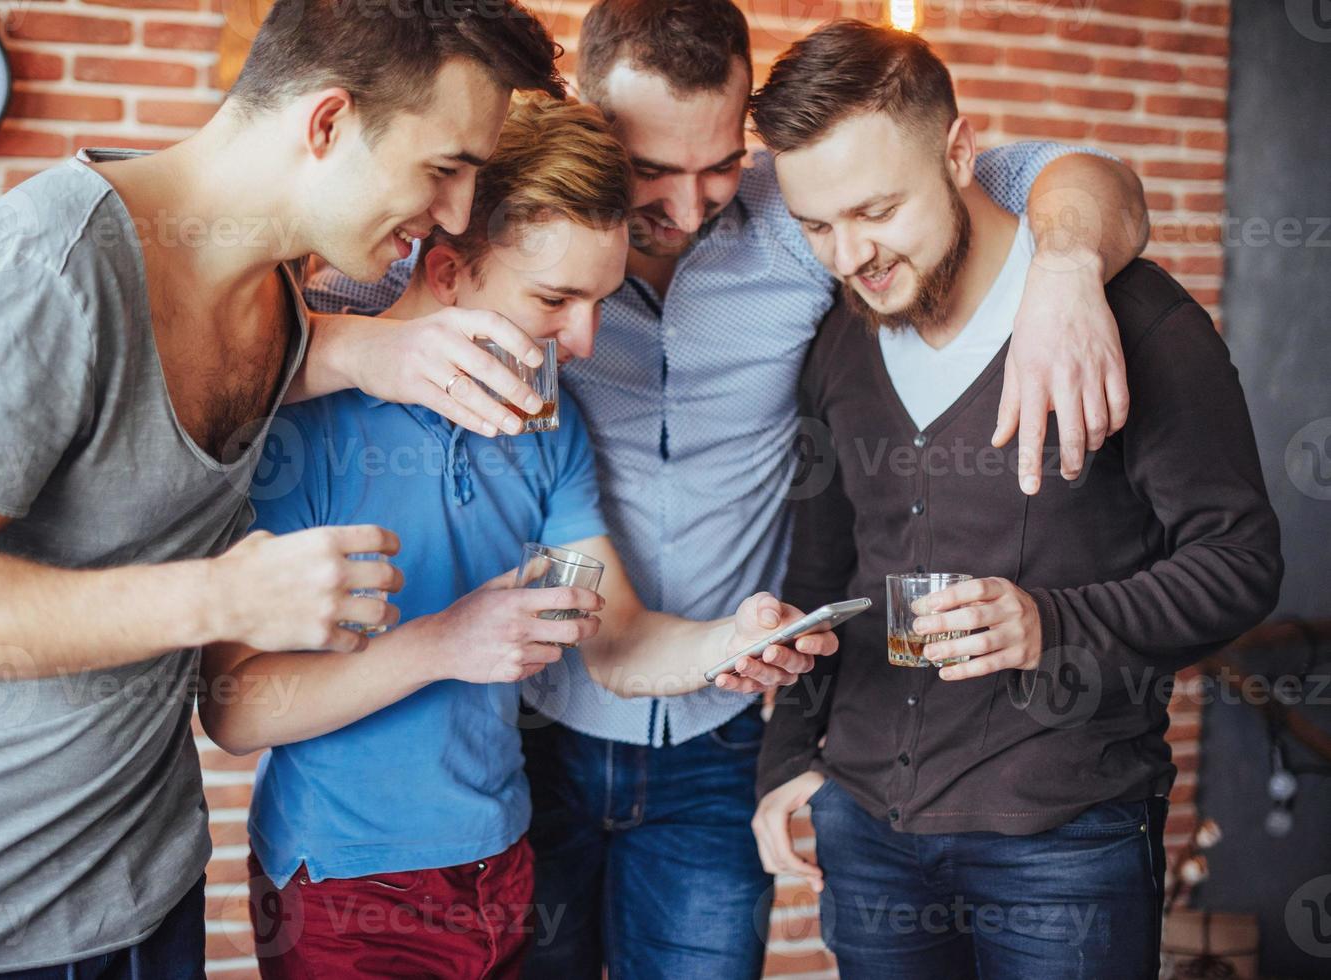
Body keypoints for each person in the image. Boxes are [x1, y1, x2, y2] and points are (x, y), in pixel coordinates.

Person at [304, 1, 1152, 974]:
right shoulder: (503, 229)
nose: (690, 200)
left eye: (718, 159)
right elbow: (261, 330)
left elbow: (1081, 175)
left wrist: (1068, 270)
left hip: (715, 727)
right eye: (651, 167)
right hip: (528, 726)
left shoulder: (801, 224)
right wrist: (354, 347)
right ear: (585, 106)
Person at [0, 3, 570, 977]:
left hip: (146, 883)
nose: (452, 214)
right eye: (442, 169)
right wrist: (223, 596)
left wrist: (375, 349)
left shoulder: (279, 288)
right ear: (326, 124)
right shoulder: (51, 266)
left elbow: (261, 355)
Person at [197, 93, 838, 979]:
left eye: (600, 302)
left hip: (505, 866)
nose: (580, 341)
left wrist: (733, 640)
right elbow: (233, 709)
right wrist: (439, 643)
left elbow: (613, 639)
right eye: (555, 298)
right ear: (450, 271)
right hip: (344, 886)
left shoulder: (548, 427)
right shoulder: (307, 430)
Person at [748, 20, 1282, 979]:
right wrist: (789, 756)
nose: (848, 256)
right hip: (867, 838)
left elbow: (1240, 565)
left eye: (875, 210)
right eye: (816, 226)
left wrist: (1050, 624)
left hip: (1065, 844)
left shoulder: (1133, 317)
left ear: (961, 154)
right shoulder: (837, 341)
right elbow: (822, 566)